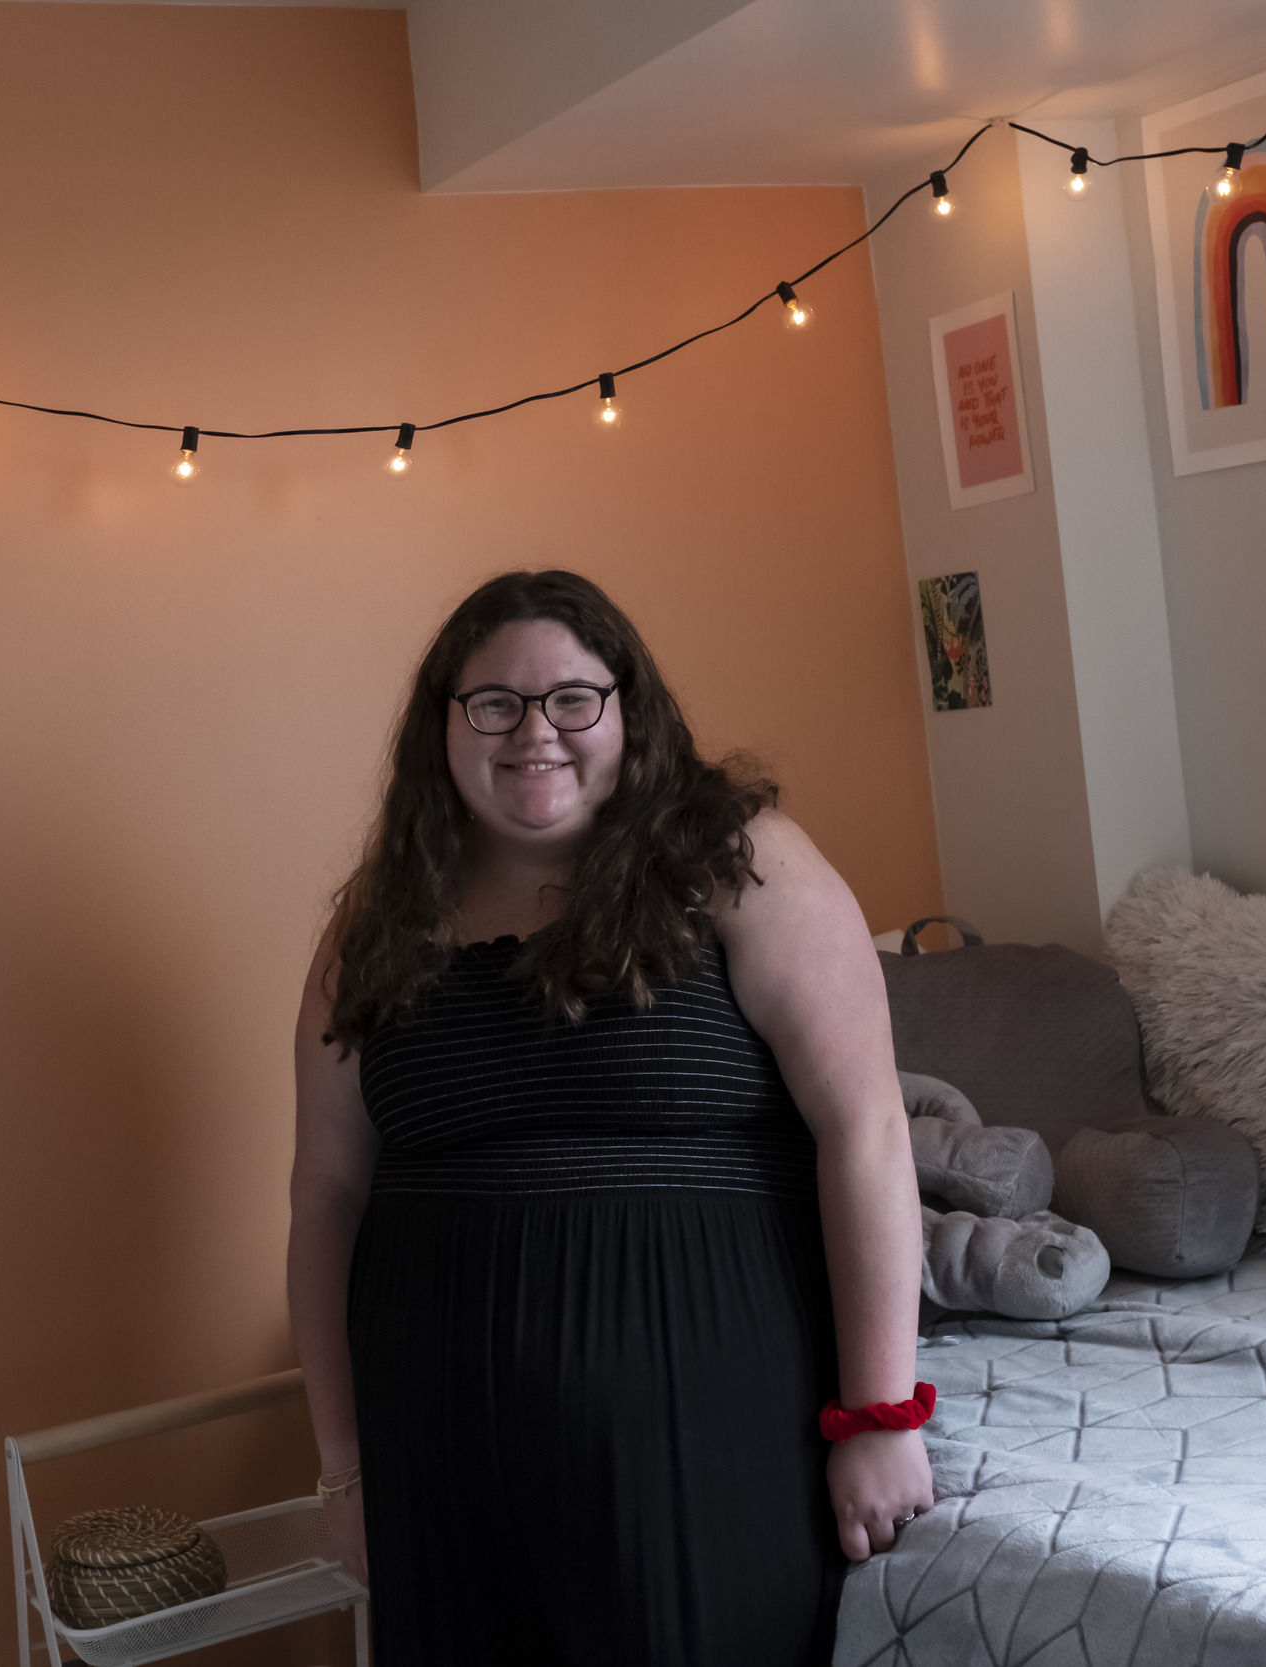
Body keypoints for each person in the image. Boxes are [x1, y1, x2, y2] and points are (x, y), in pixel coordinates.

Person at [287, 569, 930, 1665]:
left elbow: (864, 1132)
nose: (534, 731)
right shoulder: (377, 919)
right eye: (493, 702)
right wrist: (343, 1468)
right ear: (441, 723)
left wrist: (879, 1417)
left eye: (572, 698)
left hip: (702, 1436)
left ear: (628, 710)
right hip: (439, 1451)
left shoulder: (740, 862)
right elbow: (325, 1194)